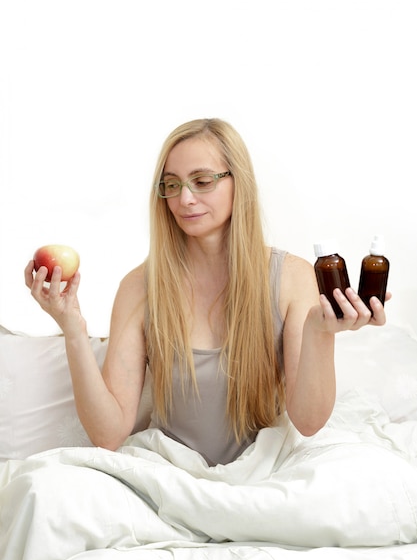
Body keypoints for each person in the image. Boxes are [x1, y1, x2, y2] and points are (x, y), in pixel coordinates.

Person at [23, 117, 389, 466]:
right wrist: (72, 325)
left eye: (202, 181)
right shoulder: (138, 286)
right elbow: (108, 434)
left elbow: (309, 422)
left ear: (238, 182)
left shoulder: (292, 277)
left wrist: (319, 332)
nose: (184, 199)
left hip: (263, 469)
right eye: (172, 184)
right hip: (169, 471)